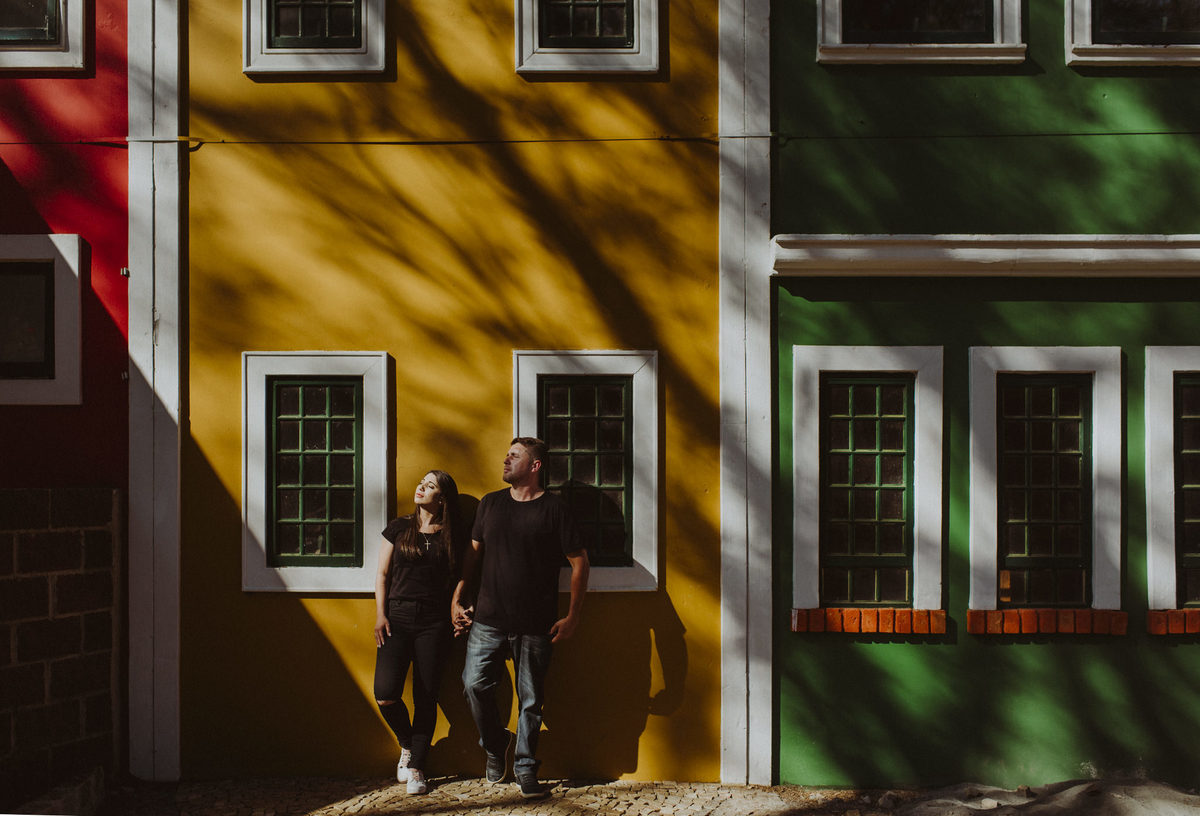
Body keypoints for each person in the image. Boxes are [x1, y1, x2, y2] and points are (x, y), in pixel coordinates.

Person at [451, 437, 589, 799]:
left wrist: (573, 615)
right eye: (507, 453)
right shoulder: (491, 504)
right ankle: (496, 744)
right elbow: (473, 554)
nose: (506, 459)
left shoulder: (554, 509)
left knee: (531, 700)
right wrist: (458, 595)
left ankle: (526, 768)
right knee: (473, 684)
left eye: (515, 455)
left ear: (535, 466)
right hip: (488, 619)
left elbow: (579, 562)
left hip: (536, 623)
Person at [373, 470, 462, 795]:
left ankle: (417, 768)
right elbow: (382, 574)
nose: (420, 487)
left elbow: (463, 576)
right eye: (421, 482)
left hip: (433, 623)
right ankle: (407, 743)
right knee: (385, 692)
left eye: (430, 486)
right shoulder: (398, 528)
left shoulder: (451, 535)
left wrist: (457, 606)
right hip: (396, 618)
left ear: (442, 499)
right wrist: (381, 615)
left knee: (426, 696)